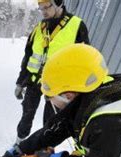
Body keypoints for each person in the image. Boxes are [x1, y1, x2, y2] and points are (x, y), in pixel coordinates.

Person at [13, 0, 89, 145]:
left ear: (59, 3)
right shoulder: (39, 28)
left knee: (51, 120)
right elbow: (28, 57)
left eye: (47, 7)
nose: (44, 11)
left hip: (58, 85)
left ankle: (44, 147)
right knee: (27, 115)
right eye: (40, 8)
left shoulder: (77, 26)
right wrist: (20, 82)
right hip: (35, 81)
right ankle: (19, 142)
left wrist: (76, 90)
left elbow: (83, 59)